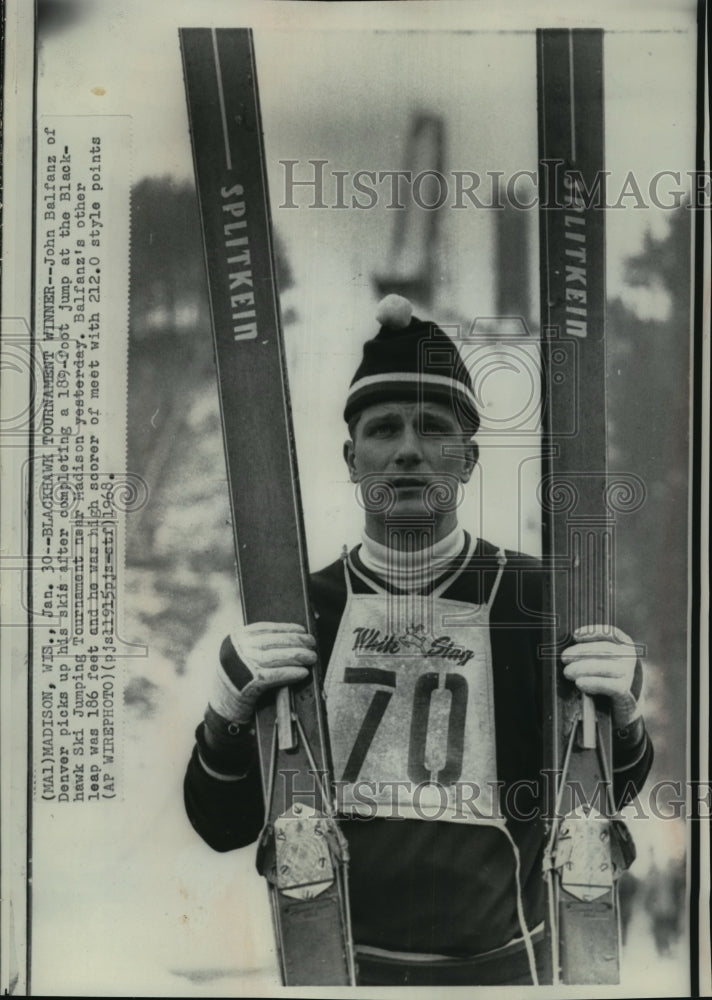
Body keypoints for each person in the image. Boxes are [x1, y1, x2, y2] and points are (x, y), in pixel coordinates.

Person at [184, 294, 653, 986]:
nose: (406, 451)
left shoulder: (535, 603)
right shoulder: (303, 608)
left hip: (502, 970)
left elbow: (597, 797)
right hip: (339, 969)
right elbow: (223, 824)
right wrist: (225, 718)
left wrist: (625, 718)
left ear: (466, 459)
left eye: (433, 429)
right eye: (383, 430)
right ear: (351, 458)